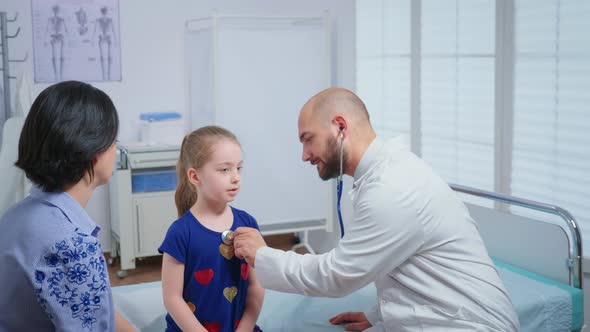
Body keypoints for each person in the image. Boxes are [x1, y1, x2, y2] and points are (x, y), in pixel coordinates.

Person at [233, 87, 520, 331]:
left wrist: (262, 254)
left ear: (340, 127)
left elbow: (337, 276)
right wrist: (380, 313)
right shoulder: (383, 176)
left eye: (308, 139)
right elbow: (404, 265)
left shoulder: (392, 189)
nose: (305, 155)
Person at [0, 81, 136, 331]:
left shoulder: (14, 217)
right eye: (113, 140)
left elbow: (88, 308)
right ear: (93, 152)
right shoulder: (73, 246)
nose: (116, 149)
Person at [159, 126, 264, 332]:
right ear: (195, 177)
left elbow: (256, 286)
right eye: (225, 169)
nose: (235, 177)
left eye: (238, 168)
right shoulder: (181, 233)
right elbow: (172, 299)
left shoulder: (247, 223)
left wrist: (245, 328)